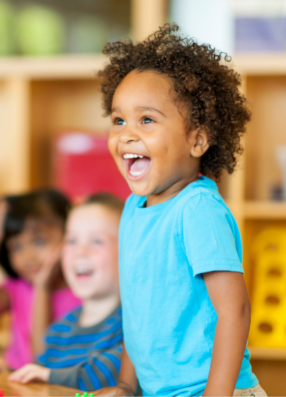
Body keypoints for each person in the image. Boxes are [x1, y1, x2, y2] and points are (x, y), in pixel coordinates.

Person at [92, 24, 266, 396]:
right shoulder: (133, 209)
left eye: (147, 120)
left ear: (198, 139)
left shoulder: (196, 209)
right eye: (118, 120)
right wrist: (125, 385)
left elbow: (234, 312)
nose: (127, 134)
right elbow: (138, 313)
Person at [9, 193, 123, 392]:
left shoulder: (133, 324)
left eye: (97, 241)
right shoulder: (59, 330)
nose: (80, 251)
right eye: (71, 241)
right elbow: (35, 374)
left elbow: (110, 372)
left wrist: (48, 376)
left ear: (130, 252)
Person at [0, 189, 81, 370]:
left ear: (70, 236)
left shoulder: (82, 294)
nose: (27, 257)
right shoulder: (15, 288)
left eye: (39, 242)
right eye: (16, 246)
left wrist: (42, 288)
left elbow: (42, 359)